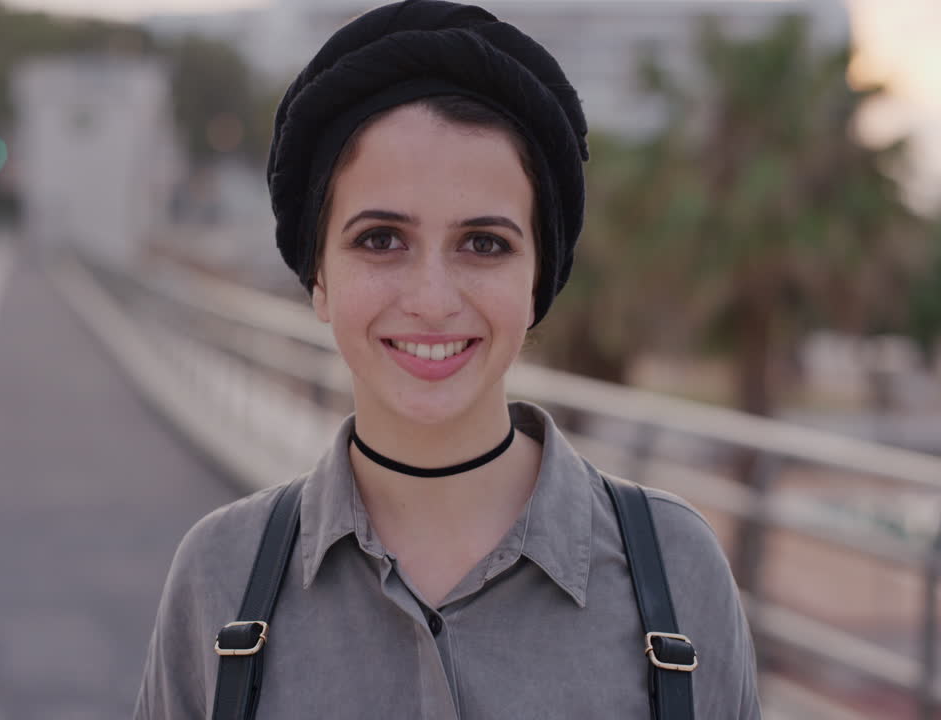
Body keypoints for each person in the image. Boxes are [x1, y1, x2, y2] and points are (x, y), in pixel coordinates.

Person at [134, 1, 760, 718]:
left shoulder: (676, 573)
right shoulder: (220, 576)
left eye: (484, 244)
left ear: (536, 284)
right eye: (381, 239)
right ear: (319, 280)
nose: (432, 300)